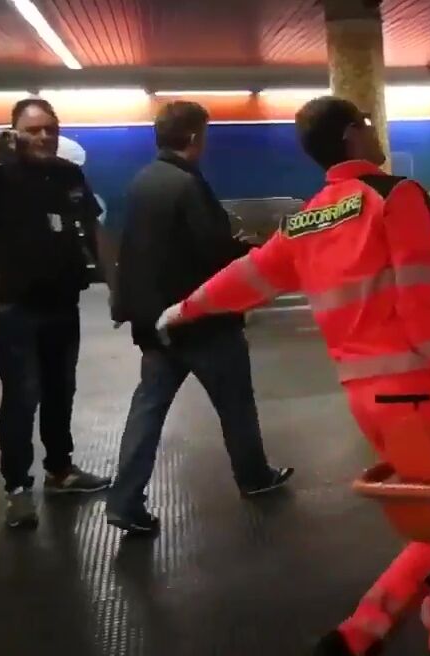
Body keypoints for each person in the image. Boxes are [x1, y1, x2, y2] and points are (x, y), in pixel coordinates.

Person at [153, 96, 430, 656]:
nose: (374, 129)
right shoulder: (395, 196)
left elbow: (250, 277)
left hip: (364, 397)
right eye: (365, 122)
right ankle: (356, 640)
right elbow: (422, 300)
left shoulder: (310, 218)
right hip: (413, 391)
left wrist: (184, 308)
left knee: (428, 512)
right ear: (349, 136)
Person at [105, 101, 294, 534]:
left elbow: (134, 252)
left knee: (147, 411)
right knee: (236, 405)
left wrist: (131, 310)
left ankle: (125, 498)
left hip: (155, 324)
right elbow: (211, 251)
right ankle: (253, 477)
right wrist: (249, 251)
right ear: (194, 137)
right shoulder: (188, 184)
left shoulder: (143, 181)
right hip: (201, 321)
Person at [0, 98, 111, 529]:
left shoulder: (68, 174)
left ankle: (60, 471)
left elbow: (95, 229)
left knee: (61, 390)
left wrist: (116, 286)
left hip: (62, 299)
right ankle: (17, 490)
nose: (44, 136)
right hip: (13, 306)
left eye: (50, 128)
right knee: (23, 396)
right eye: (33, 129)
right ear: (14, 132)